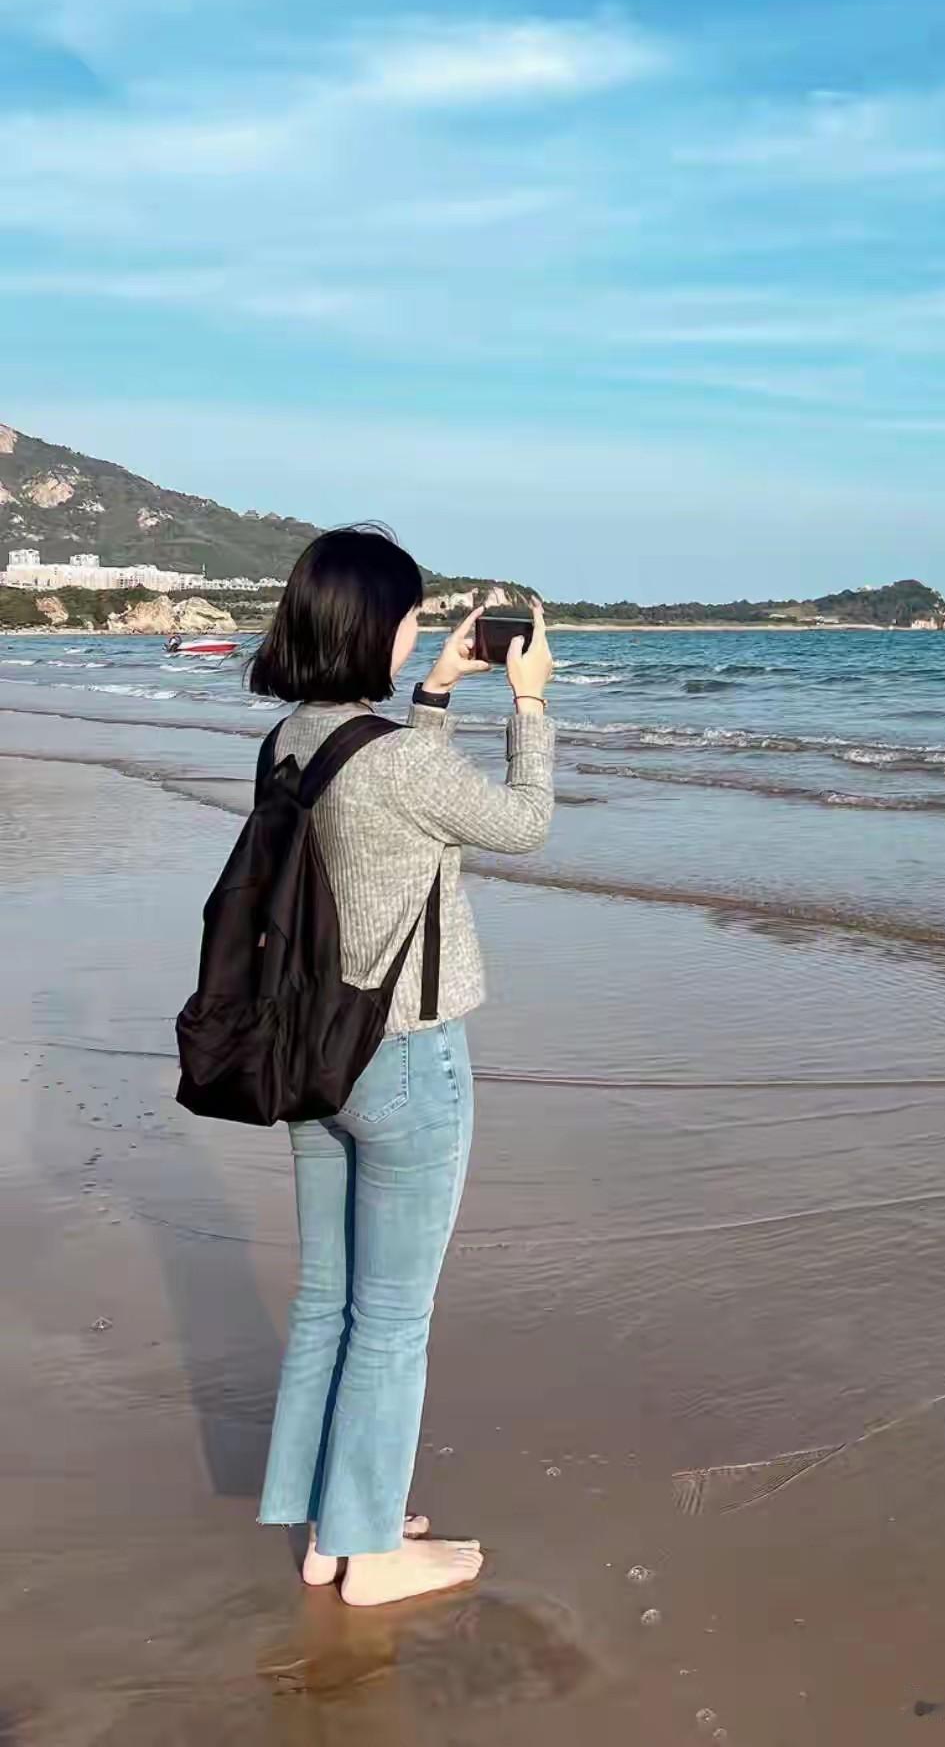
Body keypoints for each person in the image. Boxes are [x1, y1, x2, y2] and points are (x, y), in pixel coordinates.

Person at [250, 526, 555, 1606]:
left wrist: (434, 691)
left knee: (329, 1298)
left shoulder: (295, 738)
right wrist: (528, 703)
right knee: (392, 1317)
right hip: (407, 1059)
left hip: (307, 1054)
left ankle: (331, 1523)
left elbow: (400, 814)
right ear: (372, 623)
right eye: (415, 617)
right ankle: (372, 1552)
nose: (424, 630)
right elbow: (522, 823)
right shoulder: (399, 762)